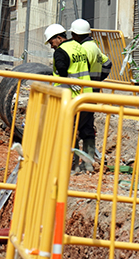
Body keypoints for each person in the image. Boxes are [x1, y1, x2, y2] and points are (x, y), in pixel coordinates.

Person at [44, 23, 95, 172]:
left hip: (71, 99)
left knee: (68, 131)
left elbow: (63, 72)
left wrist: (71, 87)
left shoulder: (61, 51)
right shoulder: (79, 46)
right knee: (87, 130)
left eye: (52, 42)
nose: (52, 46)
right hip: (87, 95)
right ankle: (88, 165)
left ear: (59, 38)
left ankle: (71, 166)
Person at [70, 19, 112, 83]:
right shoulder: (93, 46)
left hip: (85, 88)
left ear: (76, 35)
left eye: (72, 35)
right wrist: (98, 78)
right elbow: (108, 63)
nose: (72, 38)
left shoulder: (83, 48)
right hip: (94, 87)